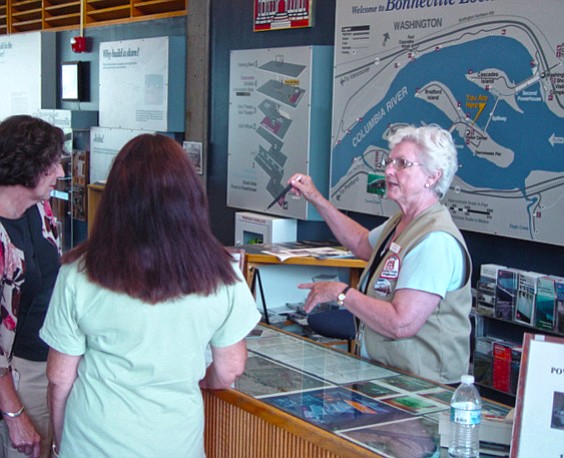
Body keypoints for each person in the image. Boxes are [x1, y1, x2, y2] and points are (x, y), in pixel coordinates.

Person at [39, 133, 261, 458]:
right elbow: (230, 370)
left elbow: (60, 379)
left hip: (92, 441)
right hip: (175, 444)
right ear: (189, 196)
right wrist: (204, 381)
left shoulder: (79, 271)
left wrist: (61, 441)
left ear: (115, 197)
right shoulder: (222, 272)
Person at [289, 124, 472, 384]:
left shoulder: (435, 241)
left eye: (402, 164)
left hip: (424, 390)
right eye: (389, 162)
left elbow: (401, 323)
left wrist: (341, 293)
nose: (388, 170)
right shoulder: (403, 221)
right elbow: (362, 243)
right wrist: (316, 198)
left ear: (432, 176)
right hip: (390, 377)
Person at [0, 115, 65, 458]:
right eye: (52, 164)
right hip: (17, 374)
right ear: (25, 164)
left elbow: (56, 269)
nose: (60, 173)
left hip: (50, 360)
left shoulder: (40, 209)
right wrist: (13, 414)